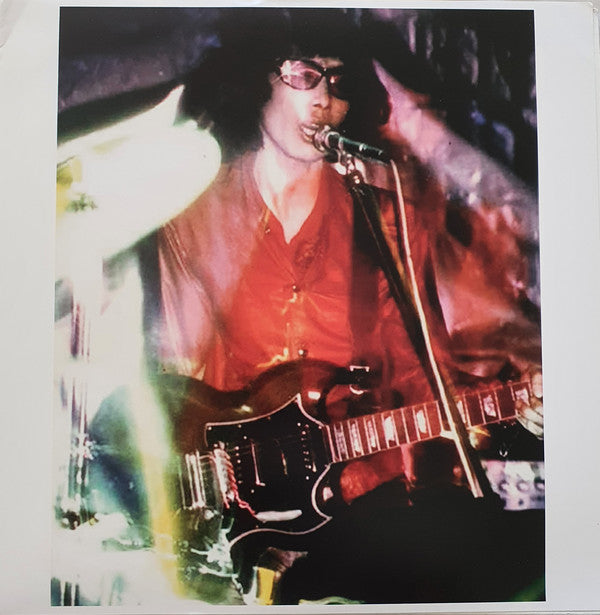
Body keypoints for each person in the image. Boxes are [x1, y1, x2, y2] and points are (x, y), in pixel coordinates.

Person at [152, 8, 543, 604]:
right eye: (304, 75)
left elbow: (421, 376)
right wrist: (195, 487)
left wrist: (510, 406)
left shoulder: (385, 221)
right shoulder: (194, 214)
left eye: (337, 80)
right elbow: (175, 375)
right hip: (230, 505)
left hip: (355, 500)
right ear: (260, 80)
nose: (324, 99)